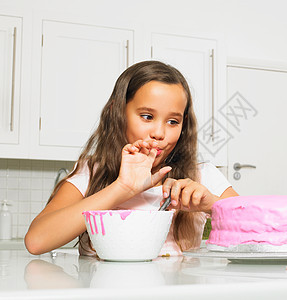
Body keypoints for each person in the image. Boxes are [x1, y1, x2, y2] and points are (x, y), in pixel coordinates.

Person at [25, 60, 238, 256]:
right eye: (147, 117)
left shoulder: (202, 176)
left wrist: (211, 204)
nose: (159, 133)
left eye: (173, 121)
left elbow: (264, 233)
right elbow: (36, 241)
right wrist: (122, 189)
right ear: (116, 113)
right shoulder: (90, 173)